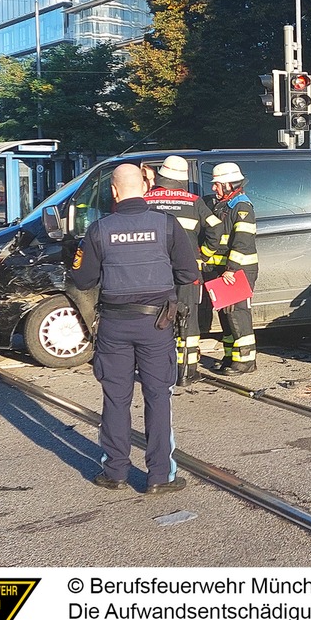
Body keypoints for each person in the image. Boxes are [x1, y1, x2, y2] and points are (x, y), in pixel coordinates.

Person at [69, 163, 199, 494]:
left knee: (115, 398)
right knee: (158, 397)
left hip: (113, 325)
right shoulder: (167, 226)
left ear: (114, 191)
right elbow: (188, 272)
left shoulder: (99, 230)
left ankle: (115, 472)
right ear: (145, 186)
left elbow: (82, 279)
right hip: (156, 324)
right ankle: (159, 476)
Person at [143, 155, 226, 384]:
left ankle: (159, 370)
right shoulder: (193, 201)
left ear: (161, 176)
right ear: (182, 180)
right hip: (188, 271)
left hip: (153, 272)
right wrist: (203, 255)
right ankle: (187, 372)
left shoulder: (146, 199)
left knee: (157, 318)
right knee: (187, 318)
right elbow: (216, 229)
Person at [204, 161, 259, 374]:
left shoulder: (242, 207)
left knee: (238, 314)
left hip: (238, 271)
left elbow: (243, 242)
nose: (213, 188)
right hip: (223, 270)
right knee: (226, 314)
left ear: (228, 185)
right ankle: (231, 356)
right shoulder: (222, 205)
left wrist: (232, 268)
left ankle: (246, 361)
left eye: (217, 184)